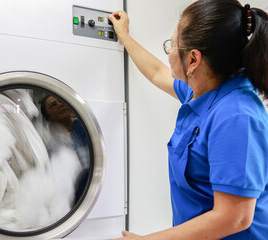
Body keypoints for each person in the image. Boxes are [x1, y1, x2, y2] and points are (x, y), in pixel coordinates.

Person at [108, 0, 268, 239]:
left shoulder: (236, 116)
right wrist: (125, 37)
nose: (169, 53)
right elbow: (156, 72)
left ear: (193, 60)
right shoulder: (204, 91)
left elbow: (235, 217)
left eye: (171, 46)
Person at [41, 95, 90, 204]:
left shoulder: (87, 129)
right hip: (71, 201)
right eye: (53, 105)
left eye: (61, 101)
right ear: (48, 118)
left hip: (92, 191)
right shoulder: (52, 145)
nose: (60, 105)